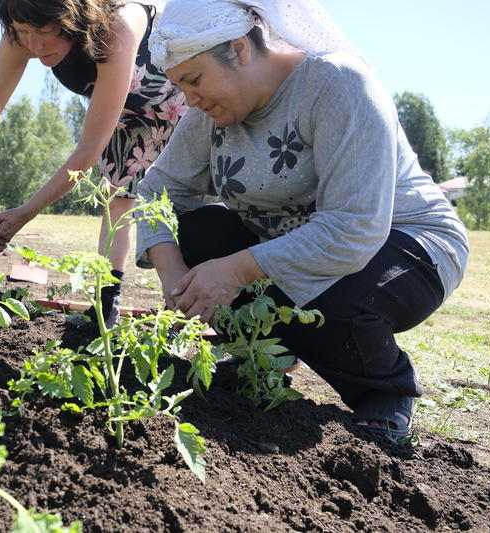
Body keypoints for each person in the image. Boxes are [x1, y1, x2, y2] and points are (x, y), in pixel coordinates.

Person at [136, 0, 469, 440]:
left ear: (239, 50)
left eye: (194, 81)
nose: (189, 99)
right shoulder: (207, 115)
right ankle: (266, 355)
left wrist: (232, 271)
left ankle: (385, 391)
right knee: (200, 230)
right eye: (181, 87)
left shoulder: (336, 83)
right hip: (300, 247)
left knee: (331, 303)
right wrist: (173, 274)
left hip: (406, 243)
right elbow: (155, 192)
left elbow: (354, 229)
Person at [0, 0, 188, 324]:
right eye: (24, 32)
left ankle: (181, 311)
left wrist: (26, 212)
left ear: (73, 18)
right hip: (123, 115)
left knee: (176, 207)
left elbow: (88, 149)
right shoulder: (22, 28)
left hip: (180, 101)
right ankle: (105, 307)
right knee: (115, 201)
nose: (33, 45)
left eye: (44, 32)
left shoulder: (117, 26)